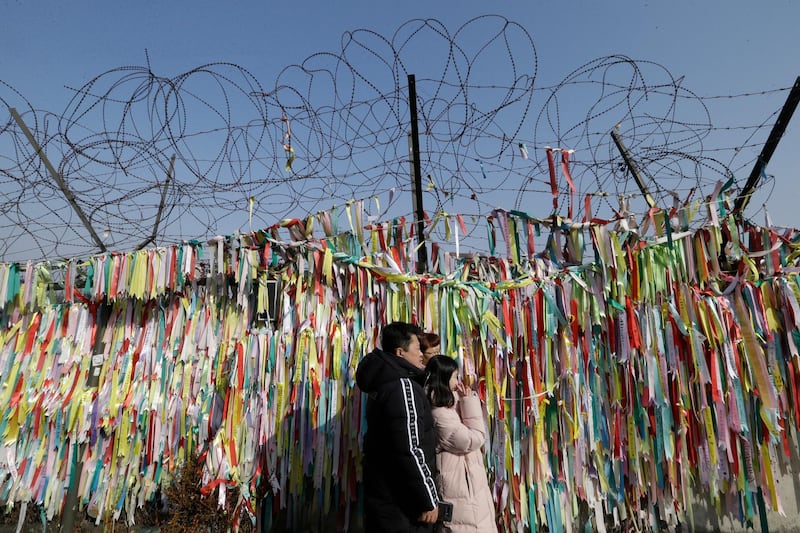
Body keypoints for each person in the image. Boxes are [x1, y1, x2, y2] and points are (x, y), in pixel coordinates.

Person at [356, 322, 440, 532]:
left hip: (386, 500)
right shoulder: (402, 386)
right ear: (400, 352)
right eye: (417, 348)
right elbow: (410, 448)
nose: (422, 354)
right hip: (402, 505)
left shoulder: (385, 382)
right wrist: (428, 497)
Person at [425, 355, 497, 533]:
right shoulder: (439, 414)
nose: (458, 382)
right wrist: (469, 402)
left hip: (470, 484)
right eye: (455, 377)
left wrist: (464, 401)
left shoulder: (450, 404)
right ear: (443, 378)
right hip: (460, 488)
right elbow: (474, 439)